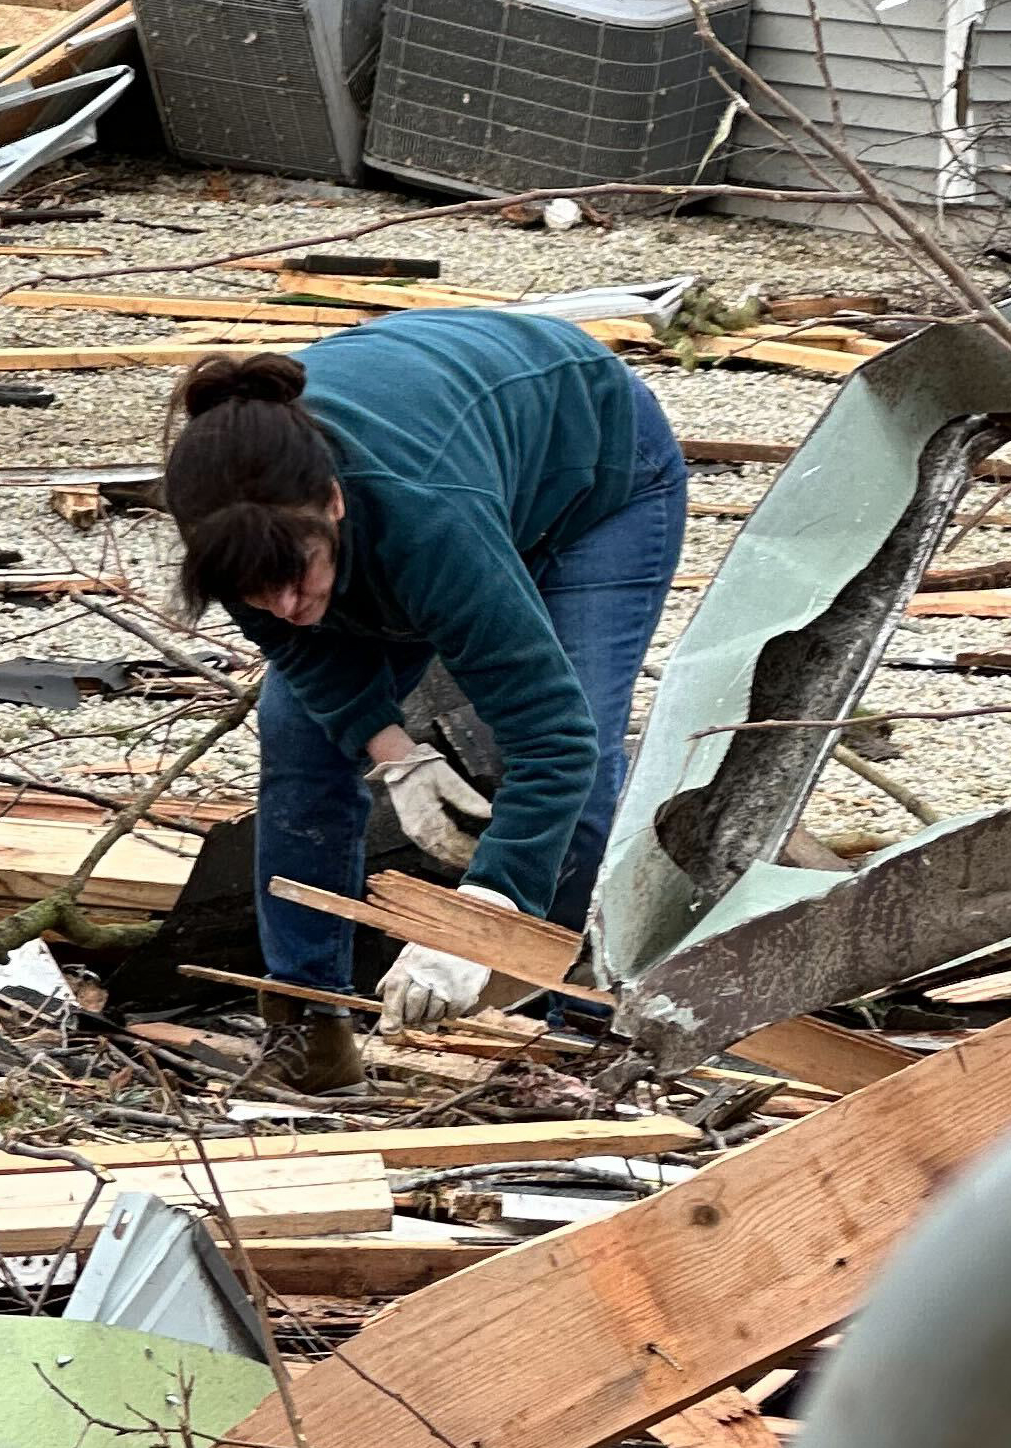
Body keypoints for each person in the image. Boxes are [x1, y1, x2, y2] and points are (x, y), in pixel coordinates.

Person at [161, 306, 689, 1093]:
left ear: (333, 505)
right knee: (298, 735)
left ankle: (570, 1029)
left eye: (295, 577)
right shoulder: (234, 535)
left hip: (593, 477)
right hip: (447, 461)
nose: (281, 603)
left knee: (575, 727)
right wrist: (396, 755)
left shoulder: (425, 521)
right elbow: (300, 649)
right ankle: (309, 1021)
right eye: (252, 593)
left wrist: (480, 919)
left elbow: (557, 740)